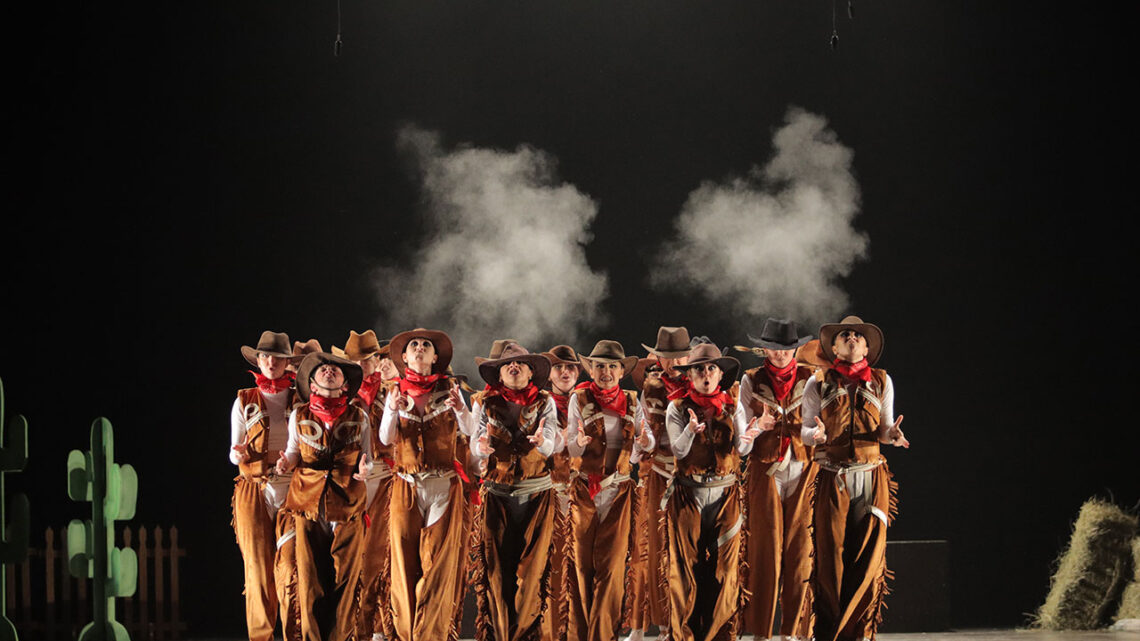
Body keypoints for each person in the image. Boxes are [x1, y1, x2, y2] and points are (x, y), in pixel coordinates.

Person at [801, 316, 908, 641]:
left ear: (867, 347)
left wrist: (893, 434)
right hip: (832, 478)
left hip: (871, 476)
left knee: (868, 558)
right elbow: (805, 431)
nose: (851, 338)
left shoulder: (881, 381)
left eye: (857, 336)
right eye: (844, 335)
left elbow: (885, 428)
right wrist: (815, 436)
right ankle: (831, 634)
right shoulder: (817, 382)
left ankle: (858, 634)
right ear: (833, 347)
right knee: (830, 559)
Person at [378, 328, 473, 641]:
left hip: (443, 485)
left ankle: (429, 635)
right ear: (404, 357)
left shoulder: (451, 390)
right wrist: (391, 409)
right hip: (406, 483)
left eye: (426, 345)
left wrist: (461, 408)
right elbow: (385, 439)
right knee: (403, 566)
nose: (419, 348)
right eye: (413, 345)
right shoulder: (395, 391)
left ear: (435, 358)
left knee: (436, 566)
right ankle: (406, 634)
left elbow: (471, 429)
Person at [275, 351, 371, 641]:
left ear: (345, 385)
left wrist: (365, 470)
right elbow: (293, 451)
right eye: (323, 370)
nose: (330, 372)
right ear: (312, 385)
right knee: (310, 579)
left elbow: (368, 457)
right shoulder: (299, 415)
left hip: (347, 503)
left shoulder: (359, 416)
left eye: (336, 370)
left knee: (345, 580)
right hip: (308, 502)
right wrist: (285, 463)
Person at [468, 341, 560, 640]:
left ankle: (526, 635)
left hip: (537, 494)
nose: (514, 367)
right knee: (497, 571)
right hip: (497, 494)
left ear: (531, 372)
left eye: (520, 363)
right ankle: (500, 634)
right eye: (508, 364)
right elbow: (475, 442)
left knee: (533, 572)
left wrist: (540, 442)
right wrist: (480, 450)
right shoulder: (485, 402)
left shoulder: (546, 402)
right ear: (499, 374)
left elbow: (551, 442)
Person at [564, 340, 654, 641]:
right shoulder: (579, 397)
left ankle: (603, 636)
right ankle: (580, 634)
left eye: (612, 366)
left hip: (618, 491)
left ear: (621, 371)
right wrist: (579, 443)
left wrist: (644, 445)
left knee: (612, 568)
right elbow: (571, 445)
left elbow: (646, 441)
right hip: (584, 490)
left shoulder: (631, 400)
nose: (605, 372)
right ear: (591, 369)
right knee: (580, 567)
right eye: (599, 366)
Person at [738, 319, 818, 641]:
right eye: (774, 349)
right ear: (764, 349)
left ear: (796, 349)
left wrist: (817, 434)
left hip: (802, 469)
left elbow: (815, 427)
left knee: (800, 553)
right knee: (765, 551)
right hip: (764, 471)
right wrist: (759, 427)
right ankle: (762, 632)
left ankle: (794, 632)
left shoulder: (811, 378)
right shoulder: (750, 380)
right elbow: (741, 441)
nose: (780, 355)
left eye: (786, 349)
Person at [663, 342, 749, 641]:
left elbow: (744, 447)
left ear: (720, 373)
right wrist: (690, 430)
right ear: (690, 376)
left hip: (725, 494)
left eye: (711, 368)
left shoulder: (733, 405)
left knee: (725, 569)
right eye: (699, 369)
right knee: (687, 569)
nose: (706, 374)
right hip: (689, 494)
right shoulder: (676, 407)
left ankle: (719, 635)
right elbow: (678, 449)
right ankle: (686, 635)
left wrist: (754, 432)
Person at [231, 331, 301, 641]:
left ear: (288, 362)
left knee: (290, 566)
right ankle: (261, 637)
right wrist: (238, 453)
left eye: (277, 357)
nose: (270, 362)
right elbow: (233, 449)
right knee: (258, 569)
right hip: (254, 489)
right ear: (258, 361)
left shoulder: (302, 398)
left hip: (293, 488)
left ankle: (294, 634)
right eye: (265, 356)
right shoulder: (244, 399)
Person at [626, 326, 694, 641]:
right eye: (665, 357)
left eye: (677, 356)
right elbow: (645, 430)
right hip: (657, 474)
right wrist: (643, 442)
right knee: (650, 549)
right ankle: (654, 624)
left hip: (692, 478)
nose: (671, 363)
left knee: (685, 552)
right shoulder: (651, 387)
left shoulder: (699, 383)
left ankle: (684, 624)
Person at [335, 330, 398, 641]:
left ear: (378, 359)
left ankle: (377, 627)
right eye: (357, 361)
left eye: (369, 358)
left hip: (386, 479)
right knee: (351, 554)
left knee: (380, 554)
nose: (364, 364)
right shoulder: (344, 396)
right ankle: (350, 626)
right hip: (351, 482)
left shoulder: (392, 390)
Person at [541, 344, 587, 641]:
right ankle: (548, 631)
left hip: (583, 493)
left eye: (571, 367)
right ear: (549, 374)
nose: (566, 372)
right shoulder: (540, 403)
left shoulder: (587, 402)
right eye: (559, 367)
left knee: (581, 565)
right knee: (552, 562)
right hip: (549, 491)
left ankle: (579, 632)